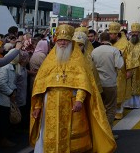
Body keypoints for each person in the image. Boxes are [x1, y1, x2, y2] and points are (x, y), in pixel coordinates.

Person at [30, 24, 116, 152]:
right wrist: (37, 106)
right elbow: (40, 86)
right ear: (56, 41)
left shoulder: (78, 60)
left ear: (71, 41)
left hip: (71, 103)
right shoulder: (49, 61)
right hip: (50, 105)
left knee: (71, 135)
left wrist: (79, 100)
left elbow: (83, 83)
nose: (62, 43)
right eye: (60, 40)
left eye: (65, 40)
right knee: (49, 132)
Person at [91, 31, 124, 131]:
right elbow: (120, 65)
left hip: (98, 84)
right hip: (110, 83)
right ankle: (109, 132)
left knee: (100, 108)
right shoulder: (114, 50)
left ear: (100, 40)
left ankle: (101, 132)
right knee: (110, 108)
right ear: (109, 39)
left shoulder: (94, 51)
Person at [109, 22, 135, 120]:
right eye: (110, 34)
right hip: (110, 71)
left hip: (121, 71)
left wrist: (129, 70)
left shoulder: (125, 44)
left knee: (119, 91)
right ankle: (112, 110)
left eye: (112, 34)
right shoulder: (109, 43)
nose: (111, 36)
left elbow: (130, 57)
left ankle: (119, 110)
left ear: (117, 34)